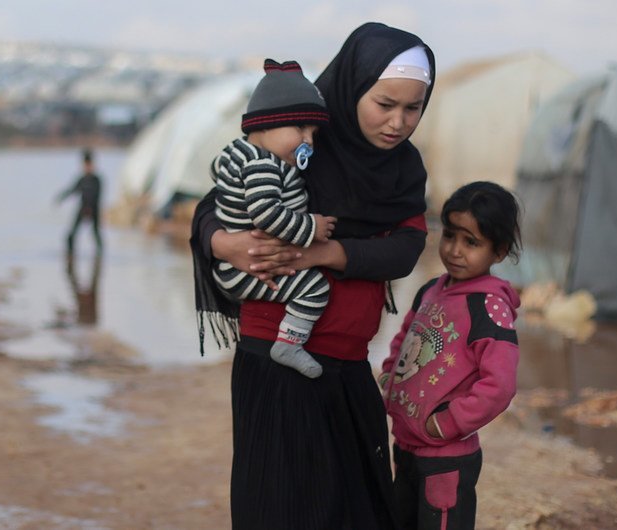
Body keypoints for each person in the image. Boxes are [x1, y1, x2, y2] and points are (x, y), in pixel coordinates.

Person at [190, 22, 435, 530]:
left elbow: (406, 250)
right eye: (384, 103)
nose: (398, 122)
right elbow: (214, 208)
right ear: (352, 86)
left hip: (348, 362)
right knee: (284, 507)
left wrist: (323, 253)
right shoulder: (299, 141)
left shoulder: (404, 171)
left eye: (413, 108)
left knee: (358, 508)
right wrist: (225, 243)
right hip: (277, 362)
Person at [380, 181, 523, 530]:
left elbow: (499, 386)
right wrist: (389, 378)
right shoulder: (431, 290)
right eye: (450, 235)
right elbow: (406, 339)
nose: (455, 250)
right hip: (407, 443)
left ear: (499, 251)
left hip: (446, 458)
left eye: (471, 242)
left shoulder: (488, 308)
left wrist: (447, 423)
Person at [208, 58, 336, 379]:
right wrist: (312, 228)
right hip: (249, 268)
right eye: (300, 128)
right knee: (316, 288)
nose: (309, 140)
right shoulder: (264, 164)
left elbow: (215, 170)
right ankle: (289, 343)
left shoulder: (237, 151)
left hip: (234, 265)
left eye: (313, 131)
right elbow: (267, 215)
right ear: (264, 124)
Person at [56, 148, 103, 254]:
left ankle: (100, 255)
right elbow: (72, 190)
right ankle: (70, 254)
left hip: (93, 209)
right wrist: (61, 198)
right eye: (85, 165)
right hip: (82, 208)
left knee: (96, 234)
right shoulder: (82, 179)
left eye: (89, 164)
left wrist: (90, 209)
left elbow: (97, 196)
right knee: (71, 235)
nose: (87, 167)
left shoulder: (97, 180)